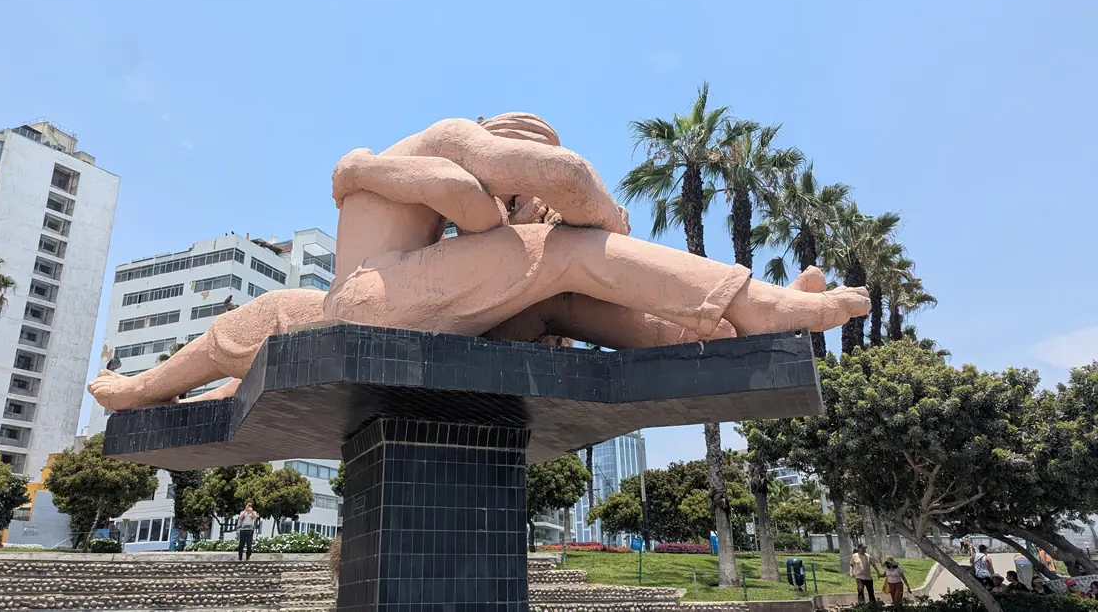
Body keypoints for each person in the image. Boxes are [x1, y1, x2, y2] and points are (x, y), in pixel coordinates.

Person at [87, 114, 870, 412]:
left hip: (383, 305)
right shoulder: (467, 149)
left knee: (558, 294)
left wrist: (151, 390)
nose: (538, 193)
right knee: (567, 254)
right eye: (527, 166)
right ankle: (753, 304)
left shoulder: (454, 241)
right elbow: (550, 187)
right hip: (372, 299)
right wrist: (604, 214)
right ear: (514, 148)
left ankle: (714, 327)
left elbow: (228, 347)